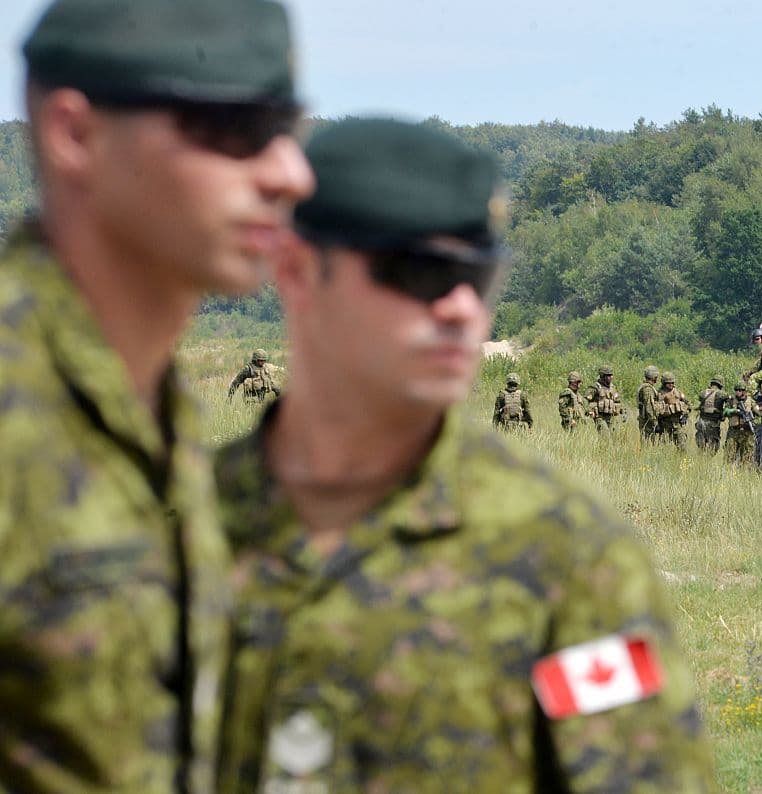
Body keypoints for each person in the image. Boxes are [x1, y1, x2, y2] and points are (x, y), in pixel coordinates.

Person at [213, 118, 714, 794]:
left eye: (477, 277)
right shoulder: (173, 530)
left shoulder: (563, 555)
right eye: (419, 272)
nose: (457, 308)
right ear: (298, 270)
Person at [0, 1, 314, 792]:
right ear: (77, 135)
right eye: (235, 128)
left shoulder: (153, 410)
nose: (288, 173)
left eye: (288, 130)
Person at [722, 383, 757, 465]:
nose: (737, 392)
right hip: (734, 432)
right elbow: (724, 412)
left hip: (747, 432)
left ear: (744, 391)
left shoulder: (750, 401)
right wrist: (735, 411)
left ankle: (744, 475)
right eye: (736, 390)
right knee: (729, 456)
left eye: (740, 390)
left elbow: (757, 411)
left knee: (747, 458)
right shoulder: (731, 400)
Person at [584, 364, 625, 432]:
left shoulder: (612, 388)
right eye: (608, 375)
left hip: (611, 417)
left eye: (611, 375)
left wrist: (623, 413)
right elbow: (585, 400)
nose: (611, 377)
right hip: (600, 417)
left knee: (614, 437)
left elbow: (618, 401)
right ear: (603, 376)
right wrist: (589, 411)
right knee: (605, 436)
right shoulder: (595, 387)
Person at [655, 372, 690, 449]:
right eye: (668, 383)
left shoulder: (678, 392)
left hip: (677, 422)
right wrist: (656, 424)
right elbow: (657, 410)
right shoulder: (660, 394)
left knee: (682, 445)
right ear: (664, 383)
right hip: (665, 423)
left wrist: (685, 414)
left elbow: (688, 403)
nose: (671, 385)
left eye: (672, 383)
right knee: (663, 446)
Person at [694, 376, 728, 453]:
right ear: (720, 384)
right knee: (713, 448)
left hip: (701, 422)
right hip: (713, 424)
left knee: (701, 447)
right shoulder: (722, 394)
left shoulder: (702, 393)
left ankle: (701, 461)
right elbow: (729, 401)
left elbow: (697, 405)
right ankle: (708, 462)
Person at [636, 364, 661, 444]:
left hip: (646, 420)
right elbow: (649, 407)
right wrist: (655, 422)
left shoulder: (646, 387)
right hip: (647, 422)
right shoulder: (648, 389)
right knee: (648, 443)